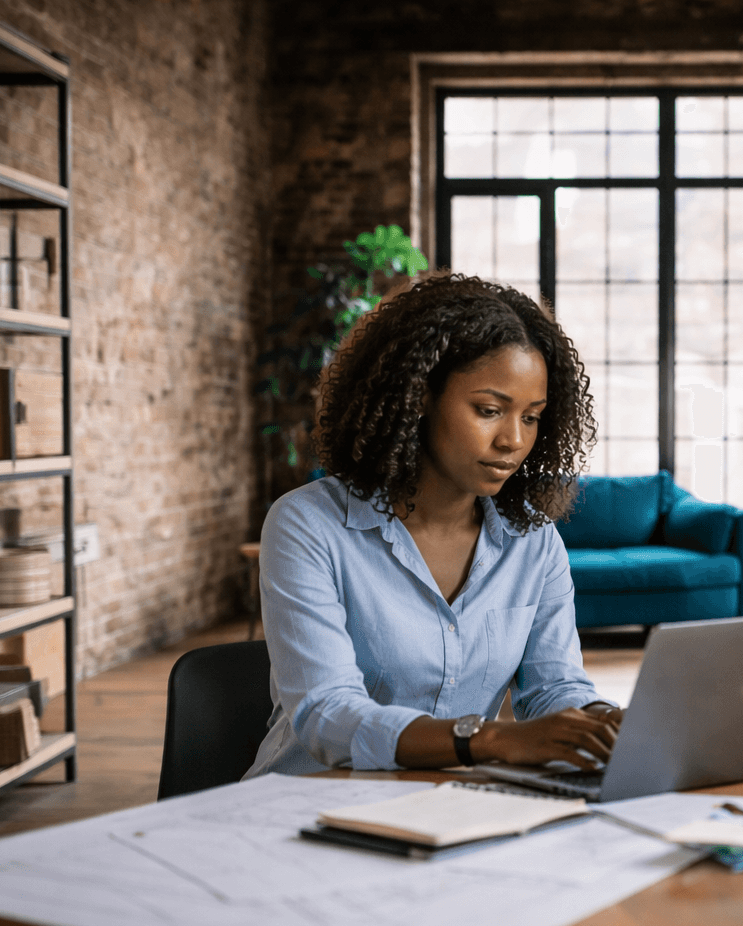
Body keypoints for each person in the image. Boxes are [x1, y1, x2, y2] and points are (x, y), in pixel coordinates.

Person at [245, 273, 623, 778]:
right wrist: (490, 740)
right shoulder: (308, 525)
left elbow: (555, 688)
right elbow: (329, 716)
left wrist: (605, 723)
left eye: (531, 417)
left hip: (451, 811)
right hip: (306, 812)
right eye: (489, 410)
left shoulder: (532, 541)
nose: (512, 439)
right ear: (419, 396)